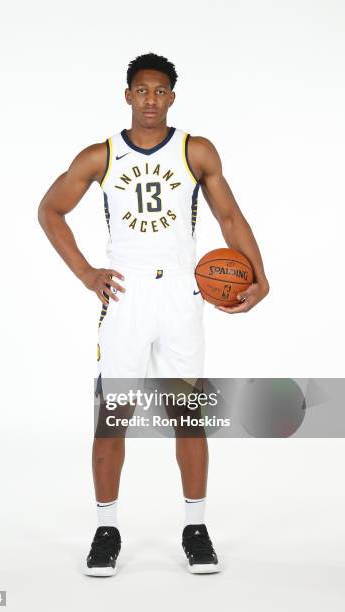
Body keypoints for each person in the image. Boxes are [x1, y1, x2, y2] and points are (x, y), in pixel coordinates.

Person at [38, 52, 270, 576]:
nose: (151, 100)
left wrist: (260, 274)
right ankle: (106, 529)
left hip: (181, 297)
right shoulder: (101, 156)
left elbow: (229, 217)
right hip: (124, 298)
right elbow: (49, 210)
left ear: (172, 96)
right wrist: (86, 273)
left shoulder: (196, 151)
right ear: (127, 96)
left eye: (160, 91)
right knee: (113, 415)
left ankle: (195, 528)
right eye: (141, 91)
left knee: (187, 416)